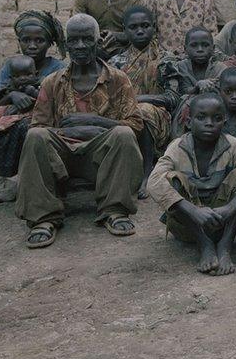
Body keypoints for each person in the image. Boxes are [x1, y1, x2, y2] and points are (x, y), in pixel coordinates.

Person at [15, 14, 143, 248]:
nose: (80, 46)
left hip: (100, 159)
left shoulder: (117, 79)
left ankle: (114, 210)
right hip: (61, 160)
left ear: (98, 41)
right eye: (74, 40)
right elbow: (39, 125)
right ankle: (43, 218)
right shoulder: (52, 82)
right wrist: (73, 132)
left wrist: (95, 123)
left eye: (87, 39)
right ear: (66, 44)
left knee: (124, 135)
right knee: (35, 137)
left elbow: (135, 124)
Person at [147, 91, 236, 276]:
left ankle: (225, 247)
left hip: (222, 221)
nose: (209, 123)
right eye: (201, 117)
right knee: (172, 179)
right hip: (188, 225)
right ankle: (205, 245)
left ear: (224, 123)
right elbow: (153, 182)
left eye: (216, 118)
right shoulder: (177, 147)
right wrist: (193, 210)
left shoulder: (232, 145)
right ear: (188, 122)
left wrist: (230, 208)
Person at [0, 10, 65, 213]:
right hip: (15, 115)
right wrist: (13, 96)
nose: (32, 46)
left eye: (39, 40)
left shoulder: (58, 67)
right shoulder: (11, 66)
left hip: (47, 118)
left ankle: (35, 188)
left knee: (27, 129)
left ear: (50, 43)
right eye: (26, 40)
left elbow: (60, 100)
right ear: (19, 41)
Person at [108, 5, 172, 198]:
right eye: (134, 27)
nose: (140, 31)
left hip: (157, 117)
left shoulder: (166, 59)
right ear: (125, 30)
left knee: (142, 110)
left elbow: (172, 98)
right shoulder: (116, 62)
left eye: (145, 25)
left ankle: (147, 173)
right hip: (123, 114)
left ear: (154, 27)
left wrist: (137, 100)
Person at [0, 55, 40, 213]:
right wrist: (10, 96)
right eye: (18, 76)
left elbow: (53, 100)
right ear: (11, 76)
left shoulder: (43, 82)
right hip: (9, 121)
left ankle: (31, 192)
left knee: (27, 131)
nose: (23, 79)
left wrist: (35, 93)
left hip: (36, 121)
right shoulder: (8, 86)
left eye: (27, 75)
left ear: (35, 73)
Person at [165, 26, 227, 138]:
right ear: (185, 49)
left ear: (213, 48)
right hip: (188, 113)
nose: (200, 49)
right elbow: (183, 92)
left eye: (205, 45)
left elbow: (222, 92)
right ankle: (179, 140)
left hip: (213, 111)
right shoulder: (181, 67)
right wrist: (197, 87)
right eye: (194, 45)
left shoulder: (220, 68)